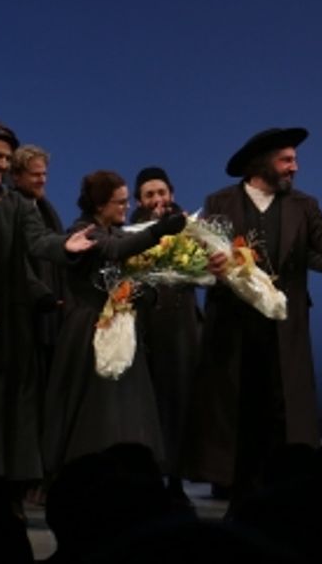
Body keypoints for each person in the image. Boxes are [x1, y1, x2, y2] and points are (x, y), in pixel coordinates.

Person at [181, 127, 322, 509]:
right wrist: (208, 266)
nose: (294, 168)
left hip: (284, 329)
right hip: (234, 329)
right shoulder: (220, 202)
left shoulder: (304, 205)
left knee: (281, 413)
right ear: (261, 163)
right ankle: (237, 494)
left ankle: (282, 496)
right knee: (237, 410)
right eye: (286, 160)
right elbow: (198, 262)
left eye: (294, 161)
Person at [0, 122, 93, 522]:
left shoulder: (12, 205)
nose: (2, 164)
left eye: (6, 158)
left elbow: (36, 240)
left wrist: (64, 245)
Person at [42, 171, 189, 475]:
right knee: (95, 406)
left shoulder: (118, 232)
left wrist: (145, 291)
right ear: (99, 205)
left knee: (126, 406)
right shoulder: (84, 231)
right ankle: (86, 472)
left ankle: (125, 473)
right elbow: (114, 250)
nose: (125, 207)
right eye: (119, 202)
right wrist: (160, 230)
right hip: (89, 330)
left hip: (120, 326)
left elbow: (133, 264)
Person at [129, 166, 202, 503]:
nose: (157, 200)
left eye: (162, 193)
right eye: (149, 195)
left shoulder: (190, 229)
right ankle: (150, 479)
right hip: (146, 327)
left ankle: (175, 479)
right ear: (138, 201)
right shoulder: (132, 233)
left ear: (171, 193)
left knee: (182, 403)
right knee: (150, 404)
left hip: (182, 328)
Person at [10, 144, 67, 392]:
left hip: (51, 310)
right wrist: (40, 294)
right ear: (16, 176)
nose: (42, 180)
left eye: (44, 174)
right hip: (25, 309)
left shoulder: (45, 208)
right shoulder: (11, 208)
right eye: (35, 175)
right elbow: (15, 258)